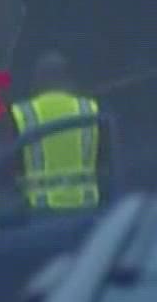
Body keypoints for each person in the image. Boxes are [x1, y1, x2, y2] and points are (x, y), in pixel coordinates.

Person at [7, 51, 101, 210]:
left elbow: (10, 167)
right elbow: (105, 159)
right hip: (88, 209)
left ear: (37, 80)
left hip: (41, 211)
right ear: (68, 78)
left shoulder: (22, 113)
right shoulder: (89, 109)